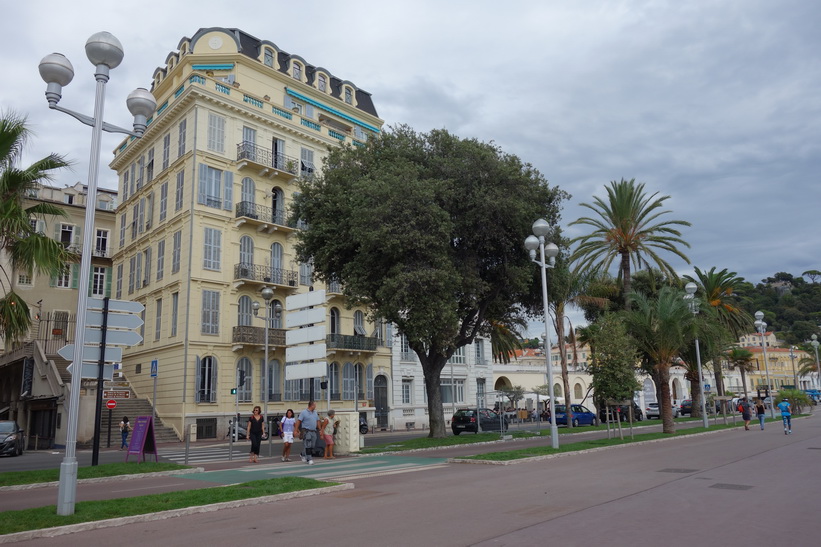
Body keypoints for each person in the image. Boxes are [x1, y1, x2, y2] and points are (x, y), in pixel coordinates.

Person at [294, 400, 320, 465]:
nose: (315, 406)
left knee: (312, 445)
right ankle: (309, 459)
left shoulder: (315, 412)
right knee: (308, 445)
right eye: (315, 405)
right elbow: (299, 421)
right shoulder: (303, 412)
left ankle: (303, 453)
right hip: (306, 431)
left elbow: (318, 421)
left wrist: (320, 429)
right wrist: (296, 430)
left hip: (313, 431)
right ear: (312, 405)